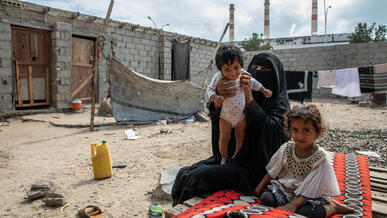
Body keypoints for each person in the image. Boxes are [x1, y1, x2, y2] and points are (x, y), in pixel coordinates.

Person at [172, 51, 290, 206]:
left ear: (275, 75)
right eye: (254, 67)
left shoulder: (280, 105)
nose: (258, 72)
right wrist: (218, 101)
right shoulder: (234, 87)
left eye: (264, 70)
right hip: (231, 157)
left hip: (254, 168)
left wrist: (250, 99)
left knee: (197, 178)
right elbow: (221, 122)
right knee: (184, 174)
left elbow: (271, 132)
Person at [254, 104, 355, 217]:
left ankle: (332, 206)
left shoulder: (321, 159)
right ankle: (290, 203)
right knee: (266, 199)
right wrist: (259, 187)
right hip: (287, 190)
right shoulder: (286, 149)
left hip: (310, 194)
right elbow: (273, 170)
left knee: (306, 213)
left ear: (317, 132)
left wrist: (294, 204)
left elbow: (313, 186)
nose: (300, 136)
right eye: (295, 130)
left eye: (306, 130)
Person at [208, 44, 273, 165]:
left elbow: (254, 83)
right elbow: (209, 89)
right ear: (220, 68)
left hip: (241, 116)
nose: (232, 73)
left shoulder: (244, 75)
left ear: (241, 65)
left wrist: (264, 90)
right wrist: (215, 97)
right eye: (227, 69)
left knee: (240, 135)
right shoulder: (218, 77)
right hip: (225, 116)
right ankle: (223, 157)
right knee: (224, 137)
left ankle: (236, 155)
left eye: (236, 68)